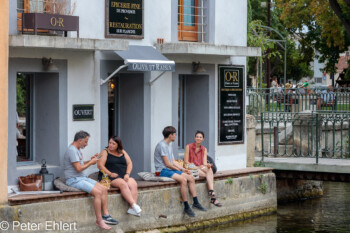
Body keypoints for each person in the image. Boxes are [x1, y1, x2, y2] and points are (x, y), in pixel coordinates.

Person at [64, 131, 118, 230]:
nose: (86, 144)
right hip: (73, 180)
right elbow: (78, 169)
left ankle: (106, 216)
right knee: (97, 193)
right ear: (80, 141)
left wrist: (91, 161)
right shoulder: (72, 150)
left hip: (81, 178)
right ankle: (99, 220)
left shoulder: (77, 149)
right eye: (86, 142)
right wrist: (91, 163)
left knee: (104, 189)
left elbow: (79, 164)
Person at [154, 126, 207, 217]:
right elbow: (167, 164)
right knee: (183, 180)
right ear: (170, 135)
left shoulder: (169, 145)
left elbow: (173, 161)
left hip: (170, 169)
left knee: (190, 177)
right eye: (175, 134)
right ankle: (186, 207)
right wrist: (178, 170)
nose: (175, 136)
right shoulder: (162, 145)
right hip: (162, 170)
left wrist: (183, 169)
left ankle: (196, 202)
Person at [97, 136, 142, 217]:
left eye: (113, 144)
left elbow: (129, 163)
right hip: (109, 176)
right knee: (123, 184)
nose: (110, 145)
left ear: (118, 145)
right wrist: (110, 173)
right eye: (110, 143)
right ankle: (134, 204)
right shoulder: (105, 152)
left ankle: (132, 209)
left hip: (122, 175)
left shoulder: (122, 152)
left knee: (133, 183)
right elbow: (100, 165)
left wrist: (127, 174)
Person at [184, 131, 222, 207]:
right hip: (191, 168)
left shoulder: (204, 149)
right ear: (195, 138)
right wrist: (197, 167)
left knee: (209, 169)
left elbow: (204, 163)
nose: (198, 138)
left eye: (200, 137)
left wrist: (207, 165)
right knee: (208, 175)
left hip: (200, 168)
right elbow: (186, 161)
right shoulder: (188, 146)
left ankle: (211, 191)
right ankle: (213, 198)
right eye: (197, 136)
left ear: (203, 139)